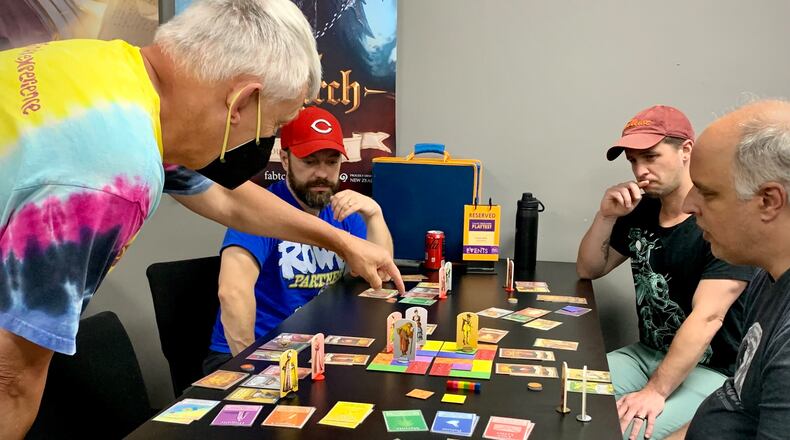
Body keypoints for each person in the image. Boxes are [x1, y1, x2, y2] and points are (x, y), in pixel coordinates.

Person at [0, 1, 402, 437]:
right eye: (273, 126)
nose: (265, 143)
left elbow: (231, 202)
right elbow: (11, 378)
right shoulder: (114, 177)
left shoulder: (109, 73)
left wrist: (343, 242)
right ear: (242, 102)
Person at [576, 105, 756, 440]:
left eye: (651, 157)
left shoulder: (719, 220)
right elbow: (589, 268)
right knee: (566, 393)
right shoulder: (641, 208)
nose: (640, 170)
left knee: (621, 429)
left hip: (709, 370)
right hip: (645, 352)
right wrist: (606, 216)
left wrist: (655, 392)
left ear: (686, 150)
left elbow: (708, 317)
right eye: (633, 160)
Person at [203, 106, 394, 370]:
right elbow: (232, 291)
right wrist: (247, 367)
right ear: (284, 159)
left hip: (317, 349)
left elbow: (379, 277)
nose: (322, 173)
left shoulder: (342, 210)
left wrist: (375, 214)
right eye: (310, 161)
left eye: (331, 161)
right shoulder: (260, 211)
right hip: (254, 351)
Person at [666, 100, 790, 439]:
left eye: (706, 192)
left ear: (768, 201)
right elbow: (735, 404)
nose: (689, 206)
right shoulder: (768, 277)